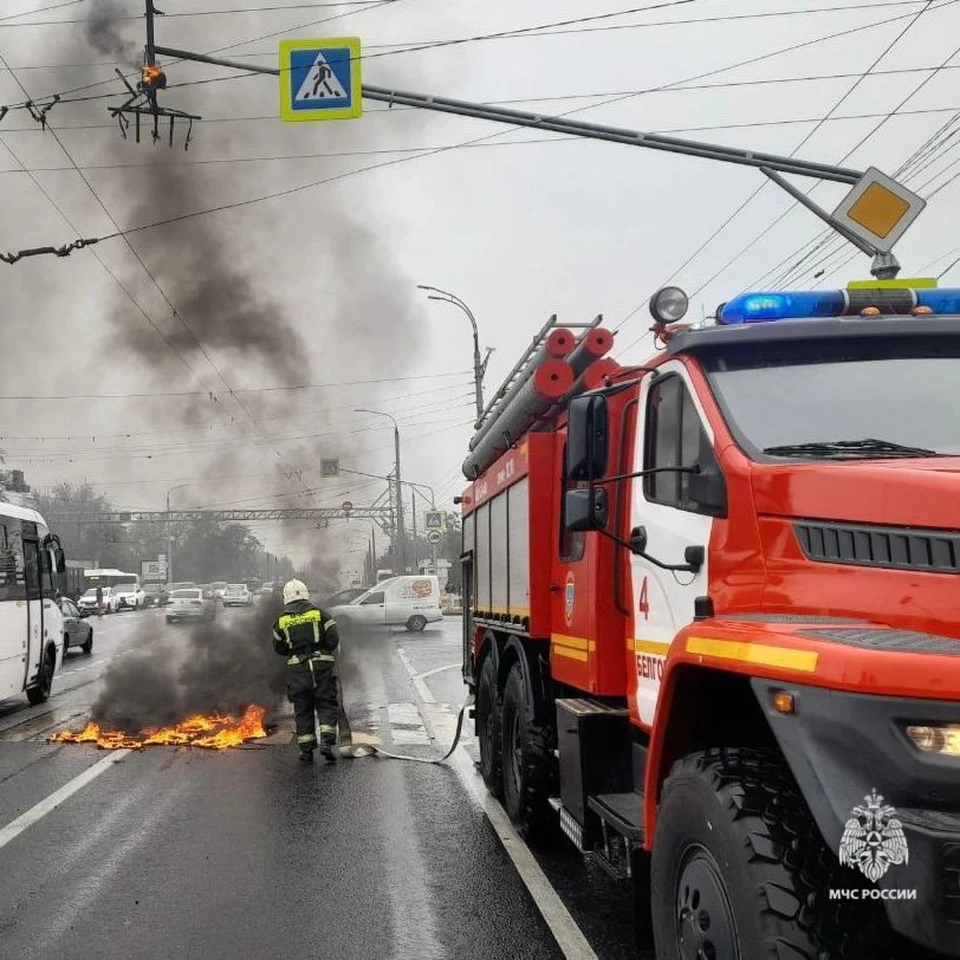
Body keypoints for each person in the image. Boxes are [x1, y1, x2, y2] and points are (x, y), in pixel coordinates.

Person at [271, 579, 340, 764]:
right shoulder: (320, 614)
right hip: (321, 667)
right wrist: (323, 649)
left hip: (298, 671)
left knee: (303, 710)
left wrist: (294, 650)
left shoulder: (281, 621)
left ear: (286, 598)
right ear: (305, 594)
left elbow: (279, 648)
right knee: (326, 703)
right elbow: (334, 637)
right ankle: (327, 741)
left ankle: (307, 751)